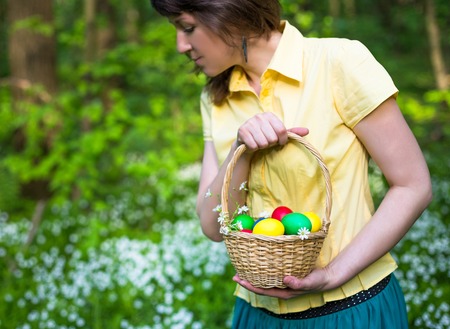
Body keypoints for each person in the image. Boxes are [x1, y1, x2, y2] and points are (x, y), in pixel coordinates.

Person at [150, 1, 433, 328]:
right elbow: (213, 226)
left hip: (353, 309)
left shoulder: (337, 62)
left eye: (187, 27)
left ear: (228, 9)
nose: (180, 45)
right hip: (257, 315)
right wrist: (240, 152)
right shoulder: (216, 97)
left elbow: (413, 185)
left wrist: (332, 274)